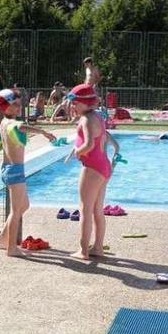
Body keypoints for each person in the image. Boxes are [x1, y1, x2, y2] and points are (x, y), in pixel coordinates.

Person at [0, 88, 56, 257]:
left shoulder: (3, 123)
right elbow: (22, 126)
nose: (19, 107)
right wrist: (43, 132)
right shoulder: (11, 123)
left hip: (10, 169)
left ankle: (3, 238)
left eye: (20, 104)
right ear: (5, 107)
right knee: (15, 210)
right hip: (15, 170)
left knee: (24, 205)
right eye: (15, 104)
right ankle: (11, 248)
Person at [67, 83, 118, 260]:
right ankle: (98, 247)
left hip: (92, 168)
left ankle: (83, 250)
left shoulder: (86, 119)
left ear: (86, 103)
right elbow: (101, 140)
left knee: (85, 209)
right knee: (98, 209)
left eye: (75, 103)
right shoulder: (97, 116)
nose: (73, 107)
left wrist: (77, 151)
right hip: (104, 166)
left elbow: (88, 144)